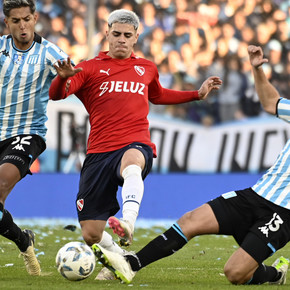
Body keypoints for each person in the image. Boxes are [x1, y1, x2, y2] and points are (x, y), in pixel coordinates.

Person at [92, 44, 290, 285]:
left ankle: (276, 275)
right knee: (191, 220)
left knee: (235, 273)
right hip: (256, 195)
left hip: (282, 212)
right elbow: (271, 103)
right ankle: (131, 264)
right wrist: (257, 69)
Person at [49, 9, 222, 280]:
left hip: (135, 143)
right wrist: (62, 77)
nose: (121, 39)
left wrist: (196, 95)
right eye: (116, 34)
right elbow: (57, 95)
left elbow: (159, 94)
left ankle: (128, 221)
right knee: (91, 233)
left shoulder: (147, 68)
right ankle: (120, 259)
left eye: (127, 36)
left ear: (136, 37)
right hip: (98, 153)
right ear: (106, 33)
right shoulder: (89, 67)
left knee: (133, 162)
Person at [0, 0, 72, 276]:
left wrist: (64, 79)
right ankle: (22, 239)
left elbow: (72, 83)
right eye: (16, 21)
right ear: (7, 23)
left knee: (2, 183)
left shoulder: (50, 53)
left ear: (35, 18)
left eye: (27, 19)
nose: (22, 26)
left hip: (28, 133)